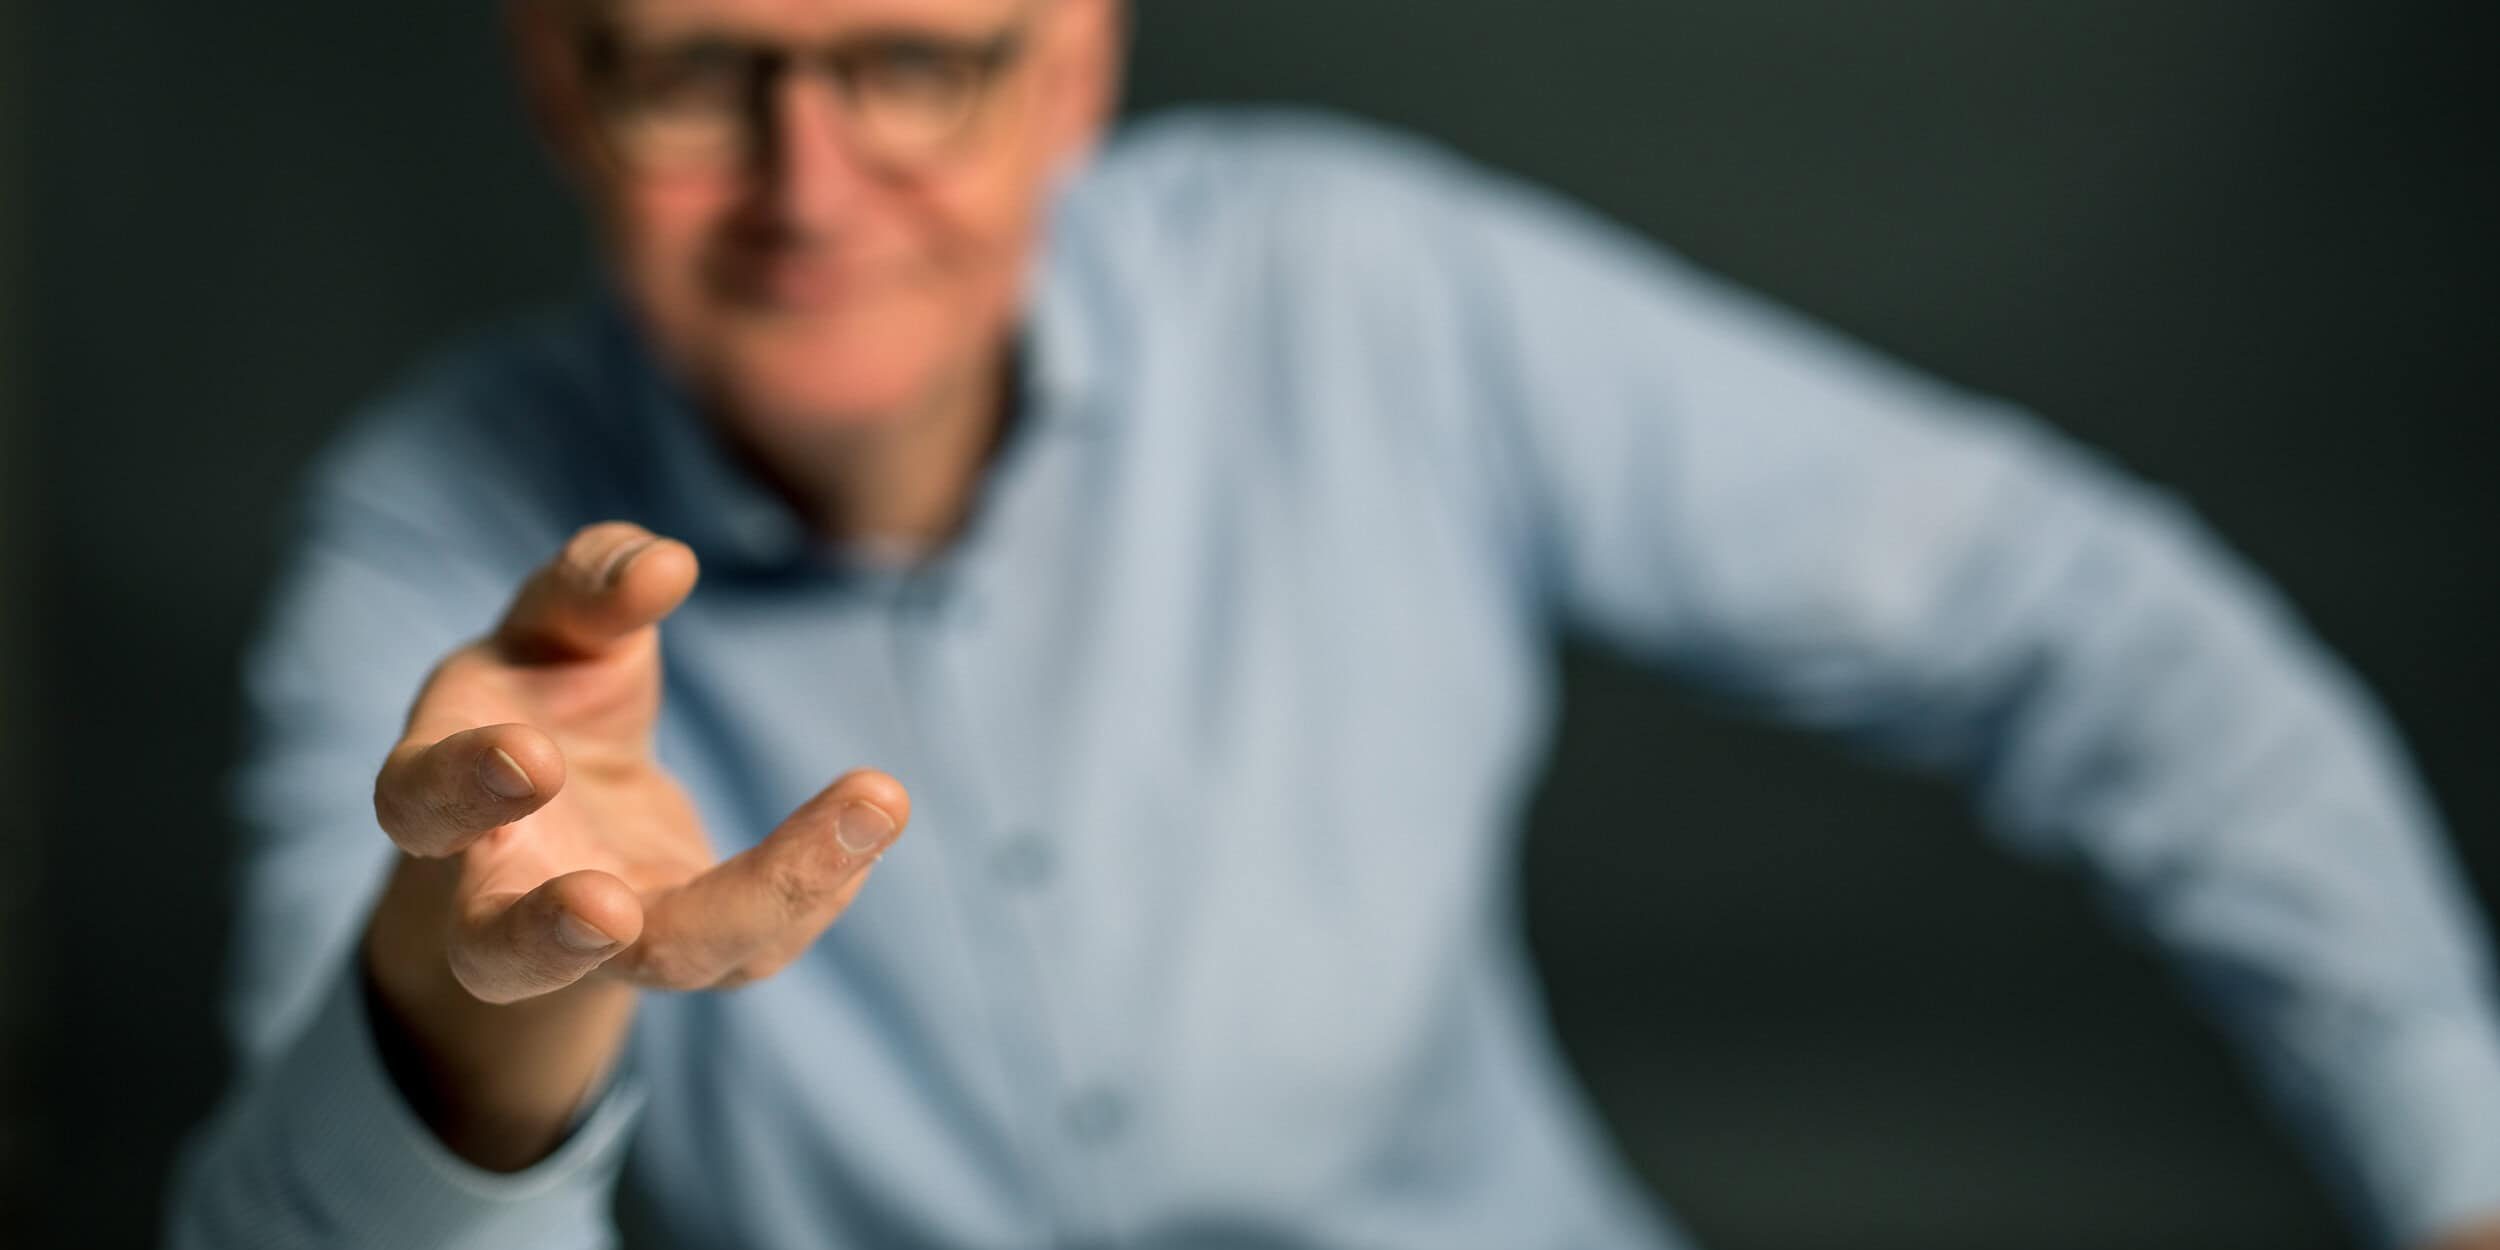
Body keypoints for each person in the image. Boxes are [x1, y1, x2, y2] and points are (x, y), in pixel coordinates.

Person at [165, 1, 2500, 1247]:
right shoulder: (428, 528)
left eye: (915, 58)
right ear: (557, 80)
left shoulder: (1359, 289)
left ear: (1069, 59)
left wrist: (2461, 1157)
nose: (810, 184)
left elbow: (2080, 622)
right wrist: (476, 1034)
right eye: (698, 70)